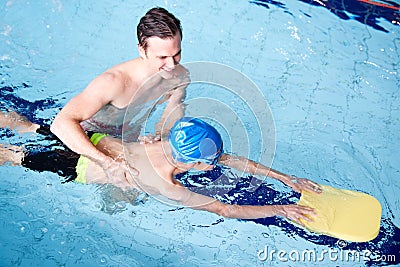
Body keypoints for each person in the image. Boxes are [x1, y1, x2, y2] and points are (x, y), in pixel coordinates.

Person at [0, 112, 322, 224]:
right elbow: (226, 210)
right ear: (191, 162)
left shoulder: (166, 139)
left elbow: (230, 159)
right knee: (14, 157)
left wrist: (287, 178)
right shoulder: (166, 184)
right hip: (77, 166)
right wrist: (278, 209)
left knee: (31, 127)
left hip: (86, 139)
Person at [50, 7, 189, 184]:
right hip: (81, 143)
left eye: (176, 54)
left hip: (124, 143)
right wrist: (106, 163)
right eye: (162, 57)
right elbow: (61, 124)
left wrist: (158, 136)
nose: (171, 64)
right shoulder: (113, 83)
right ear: (141, 50)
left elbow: (172, 114)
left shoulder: (180, 77)